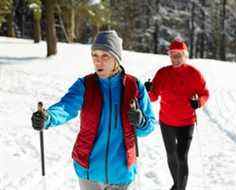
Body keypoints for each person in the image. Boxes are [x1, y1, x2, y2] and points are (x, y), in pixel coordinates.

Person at [31, 30, 156, 190]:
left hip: (121, 172)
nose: (98, 61)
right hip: (88, 168)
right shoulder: (86, 85)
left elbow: (149, 126)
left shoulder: (134, 86)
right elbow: (66, 106)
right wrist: (47, 117)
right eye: (95, 56)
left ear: (116, 58)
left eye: (105, 56)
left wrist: (141, 122)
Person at [144, 39, 209, 190]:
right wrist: (148, 89)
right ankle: (177, 185)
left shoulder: (194, 74)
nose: (175, 58)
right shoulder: (162, 73)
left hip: (187, 122)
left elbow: (204, 94)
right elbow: (153, 97)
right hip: (166, 121)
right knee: (171, 156)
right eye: (173, 55)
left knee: (181, 156)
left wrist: (198, 102)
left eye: (179, 55)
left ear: (185, 56)